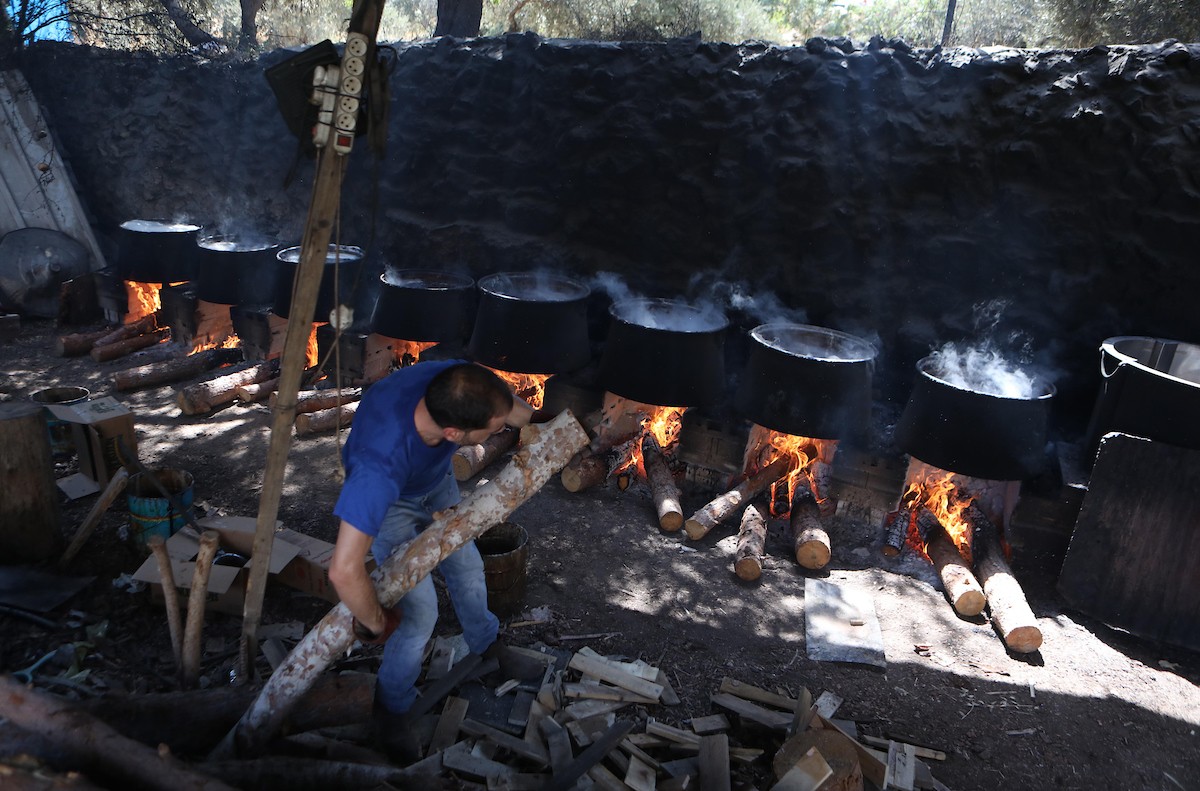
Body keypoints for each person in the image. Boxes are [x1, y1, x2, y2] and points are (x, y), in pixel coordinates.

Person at [327, 360, 534, 762]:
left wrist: (541, 422)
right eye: (492, 432)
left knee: (468, 566)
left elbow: (508, 407)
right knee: (420, 613)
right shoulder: (378, 465)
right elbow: (343, 570)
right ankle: (391, 706)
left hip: (435, 481)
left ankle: (486, 643)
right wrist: (374, 622)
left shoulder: (454, 382)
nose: (499, 433)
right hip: (394, 505)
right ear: (455, 434)